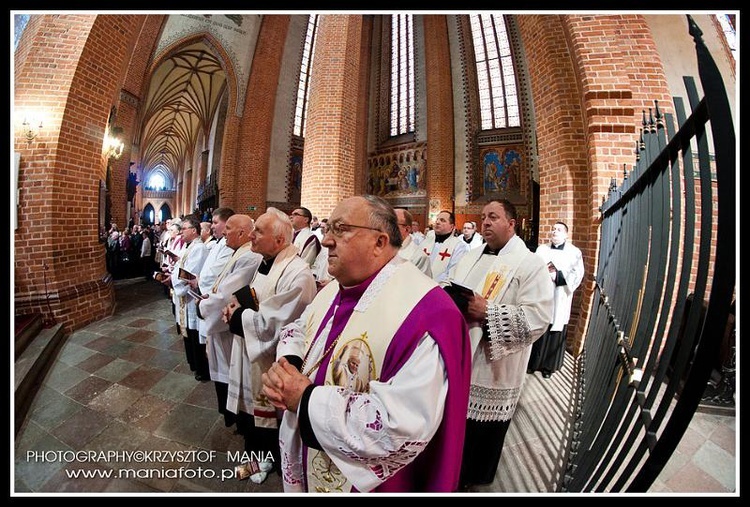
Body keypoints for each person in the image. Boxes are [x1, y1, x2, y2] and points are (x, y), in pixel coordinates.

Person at [262, 195, 471, 493]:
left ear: (379, 242)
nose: (326, 241)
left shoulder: (428, 313)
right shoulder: (337, 286)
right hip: (310, 453)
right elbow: (300, 327)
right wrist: (289, 366)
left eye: (341, 229)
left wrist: (305, 399)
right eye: (328, 228)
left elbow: (402, 424)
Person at [445, 198, 553, 491]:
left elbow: (540, 317)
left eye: (493, 217)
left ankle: (472, 482)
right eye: (483, 217)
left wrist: (488, 312)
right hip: (461, 353)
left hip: (493, 366)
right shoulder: (472, 256)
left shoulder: (530, 264)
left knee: (480, 438)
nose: (486, 222)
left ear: (512, 223)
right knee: (455, 430)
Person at [222, 207, 317, 484]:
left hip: (271, 358)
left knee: (268, 418)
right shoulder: (266, 261)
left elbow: (278, 320)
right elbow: (257, 299)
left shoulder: (298, 273)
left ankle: (265, 463)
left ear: (278, 240)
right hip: (250, 352)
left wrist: (239, 315)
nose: (251, 235)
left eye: (259, 231)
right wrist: (236, 307)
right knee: (252, 415)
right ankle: (254, 457)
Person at [197, 214, 262, 428]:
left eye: (229, 228)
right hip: (221, 321)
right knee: (224, 374)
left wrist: (203, 307)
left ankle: (237, 421)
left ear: (241, 232)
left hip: (228, 327)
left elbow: (228, 294)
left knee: (231, 376)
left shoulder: (249, 257)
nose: (224, 232)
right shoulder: (239, 253)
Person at [527, 221, 585, 379]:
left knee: (555, 328)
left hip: (560, 295)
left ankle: (548, 367)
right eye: (553, 229)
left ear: (566, 234)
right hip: (542, 294)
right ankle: (533, 363)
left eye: (559, 230)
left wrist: (558, 276)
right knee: (539, 326)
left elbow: (578, 274)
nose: (554, 232)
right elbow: (533, 268)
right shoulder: (541, 249)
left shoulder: (574, 252)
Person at [191, 208, 236, 382]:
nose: (212, 226)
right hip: (207, 295)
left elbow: (217, 274)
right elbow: (209, 270)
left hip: (216, 302)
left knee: (223, 360)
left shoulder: (228, 247)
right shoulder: (220, 243)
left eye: (216, 222)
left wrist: (200, 282)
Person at [170, 215, 210, 380]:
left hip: (191, 296)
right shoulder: (190, 246)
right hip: (185, 295)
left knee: (194, 333)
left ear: (194, 230)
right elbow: (179, 268)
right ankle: (194, 365)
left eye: (184, 228)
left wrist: (176, 280)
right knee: (189, 333)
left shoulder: (199, 248)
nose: (181, 232)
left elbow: (189, 272)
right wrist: (173, 277)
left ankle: (201, 369)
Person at [419, 210, 470, 283]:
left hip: (439, 288)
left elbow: (453, 272)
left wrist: (432, 284)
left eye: (442, 220)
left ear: (451, 226)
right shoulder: (425, 241)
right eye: (437, 219)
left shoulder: (458, 246)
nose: (437, 222)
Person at [395, 207, 431, 276]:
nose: (386, 227)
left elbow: (424, 285)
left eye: (393, 223)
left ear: (407, 229)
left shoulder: (419, 256)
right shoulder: (383, 249)